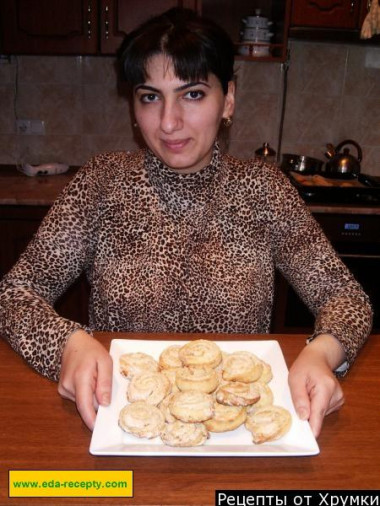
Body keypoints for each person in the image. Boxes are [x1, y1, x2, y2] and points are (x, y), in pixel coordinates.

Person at [0, 8, 373, 438]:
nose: (169, 122)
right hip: (124, 430)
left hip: (234, 437)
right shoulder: (101, 183)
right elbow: (14, 293)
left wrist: (323, 353)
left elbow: (346, 297)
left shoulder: (264, 189)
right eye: (150, 96)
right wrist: (68, 344)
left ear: (228, 99)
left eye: (192, 94)